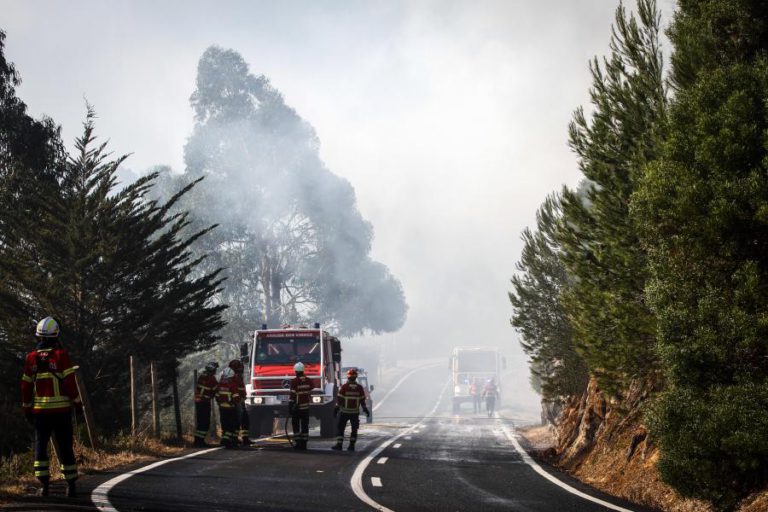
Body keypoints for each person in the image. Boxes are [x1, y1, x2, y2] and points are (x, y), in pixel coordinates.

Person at [20, 317, 82, 497]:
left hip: (40, 413)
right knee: (65, 447)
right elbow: (70, 383)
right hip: (62, 412)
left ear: (38, 336)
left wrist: (27, 408)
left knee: (41, 446)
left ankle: (45, 486)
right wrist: (77, 403)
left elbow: (25, 386)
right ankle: (71, 486)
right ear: (56, 335)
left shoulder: (31, 358)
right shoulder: (61, 355)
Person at [332, 368, 370, 452]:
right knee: (354, 429)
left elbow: (339, 401)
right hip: (354, 413)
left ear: (348, 377)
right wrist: (366, 410)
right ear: (356, 377)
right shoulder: (359, 388)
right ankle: (351, 446)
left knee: (341, 428)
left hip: (344, 412)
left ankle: (339, 445)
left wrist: (336, 410)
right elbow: (362, 401)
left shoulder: (344, 387)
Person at [193, 362, 218, 447]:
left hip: (199, 402)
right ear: (212, 369)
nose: (215, 371)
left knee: (201, 422)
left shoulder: (202, 376)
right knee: (204, 423)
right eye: (215, 369)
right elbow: (216, 389)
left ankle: (198, 441)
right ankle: (199, 442)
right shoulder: (211, 378)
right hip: (204, 402)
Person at [228, 359, 252, 446]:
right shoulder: (233, 378)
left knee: (245, 420)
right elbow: (234, 391)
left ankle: (244, 439)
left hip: (240, 402)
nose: (242, 370)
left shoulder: (238, 377)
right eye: (240, 369)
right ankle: (235, 439)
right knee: (236, 421)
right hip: (236, 403)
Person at [289, 362, 311, 450]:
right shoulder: (308, 380)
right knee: (305, 425)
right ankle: (304, 444)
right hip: (306, 408)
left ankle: (298, 443)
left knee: (296, 425)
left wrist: (290, 406)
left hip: (297, 408)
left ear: (296, 371)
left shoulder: (294, 381)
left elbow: (292, 396)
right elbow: (311, 388)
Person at [216, 367, 240, 448]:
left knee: (225, 425)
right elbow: (236, 397)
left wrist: (219, 403)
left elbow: (217, 395)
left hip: (222, 408)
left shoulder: (219, 384)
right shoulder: (232, 384)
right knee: (232, 425)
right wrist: (236, 403)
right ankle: (230, 441)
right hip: (231, 408)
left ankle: (225, 439)